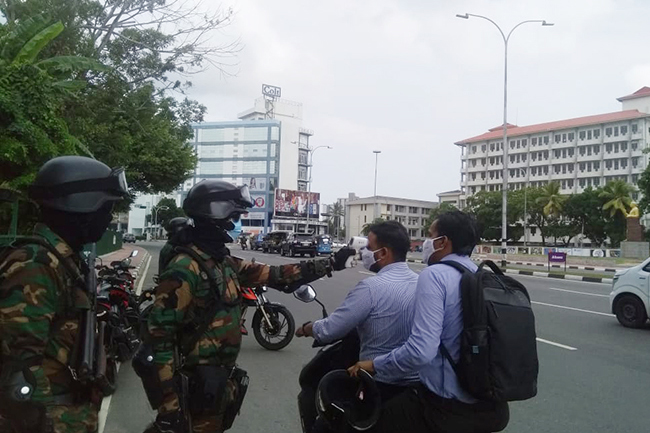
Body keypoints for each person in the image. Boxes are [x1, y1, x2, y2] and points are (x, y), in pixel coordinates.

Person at [144, 180, 356, 433]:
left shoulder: (222, 262)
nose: (235, 224)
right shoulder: (185, 268)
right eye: (233, 217)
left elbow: (277, 274)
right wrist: (169, 407)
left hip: (214, 387)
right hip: (191, 390)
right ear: (215, 217)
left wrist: (331, 263)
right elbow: (159, 339)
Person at [349, 210, 509, 433]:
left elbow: (421, 350)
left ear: (442, 241)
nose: (426, 242)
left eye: (430, 235)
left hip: (444, 407)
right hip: (490, 405)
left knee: (369, 424)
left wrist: (375, 365)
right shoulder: (482, 275)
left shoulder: (435, 275)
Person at [0, 156, 128, 433]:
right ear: (81, 206)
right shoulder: (36, 264)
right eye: (106, 208)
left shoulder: (64, 261)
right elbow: (18, 369)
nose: (108, 218)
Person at [296, 220, 419, 401]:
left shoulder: (370, 288)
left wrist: (307, 329)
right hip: (417, 384)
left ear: (383, 252)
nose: (364, 253)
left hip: (379, 382)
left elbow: (331, 329)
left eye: (369, 247)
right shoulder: (422, 282)